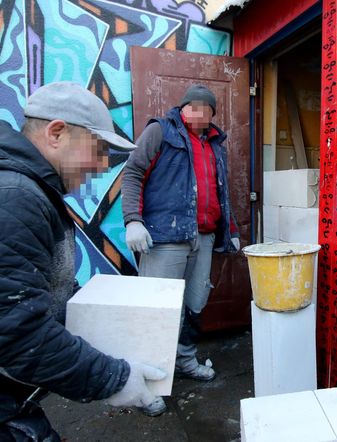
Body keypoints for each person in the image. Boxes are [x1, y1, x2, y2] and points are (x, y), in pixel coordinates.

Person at [0, 82, 168, 441]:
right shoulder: (7, 197)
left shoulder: (11, 184)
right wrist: (111, 378)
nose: (102, 166)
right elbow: (17, 337)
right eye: (98, 150)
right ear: (56, 133)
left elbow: (35, 290)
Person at [121, 84, 240, 393]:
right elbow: (132, 173)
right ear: (183, 108)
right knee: (157, 308)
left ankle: (185, 361)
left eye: (207, 108)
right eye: (194, 106)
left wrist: (232, 231)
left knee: (195, 303)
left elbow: (221, 192)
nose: (200, 113)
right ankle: (146, 382)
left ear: (212, 113)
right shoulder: (160, 131)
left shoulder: (215, 144)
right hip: (165, 238)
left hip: (204, 238)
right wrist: (133, 221)